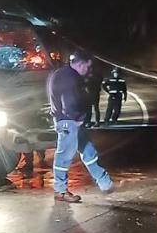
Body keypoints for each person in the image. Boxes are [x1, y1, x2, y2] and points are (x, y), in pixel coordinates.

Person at [46, 51, 114, 203]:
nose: (88, 71)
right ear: (81, 64)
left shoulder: (61, 73)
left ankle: (105, 183)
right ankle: (61, 191)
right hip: (69, 121)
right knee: (64, 156)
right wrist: (77, 118)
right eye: (87, 67)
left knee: (88, 151)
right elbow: (69, 102)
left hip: (70, 120)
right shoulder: (69, 77)